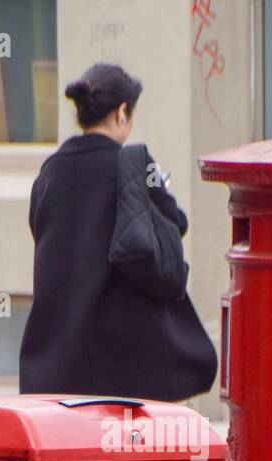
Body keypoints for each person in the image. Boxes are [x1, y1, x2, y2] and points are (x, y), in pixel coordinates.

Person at [18, 63, 217, 401]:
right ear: (122, 112)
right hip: (125, 367)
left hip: (56, 367)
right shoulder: (140, 165)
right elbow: (174, 221)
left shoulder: (50, 172)